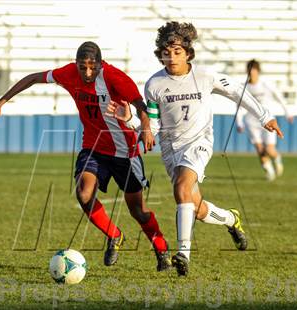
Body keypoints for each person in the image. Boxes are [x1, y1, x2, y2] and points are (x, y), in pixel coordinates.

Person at [106, 22, 284, 276]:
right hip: (170, 149)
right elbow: (153, 127)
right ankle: (231, 219)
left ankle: (183, 254)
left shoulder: (205, 76)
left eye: (177, 51)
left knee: (181, 189)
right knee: (195, 206)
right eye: (166, 51)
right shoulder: (154, 85)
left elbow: (237, 92)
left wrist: (264, 115)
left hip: (199, 142)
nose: (171, 56)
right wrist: (131, 121)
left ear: (188, 53)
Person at [0, 41, 171, 271]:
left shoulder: (115, 77)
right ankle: (115, 236)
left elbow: (140, 105)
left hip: (126, 153)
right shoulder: (68, 74)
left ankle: (162, 251)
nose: (87, 73)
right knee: (84, 194)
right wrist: (0, 102)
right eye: (82, 67)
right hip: (93, 147)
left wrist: (145, 127)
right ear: (76, 64)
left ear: (101, 64)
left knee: (138, 211)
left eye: (92, 67)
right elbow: (33, 78)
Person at [236, 59, 294, 181]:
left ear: (258, 71)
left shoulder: (266, 84)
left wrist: (288, 112)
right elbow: (240, 105)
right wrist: (239, 122)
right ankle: (269, 172)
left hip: (267, 120)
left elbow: (279, 98)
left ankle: (277, 158)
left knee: (269, 149)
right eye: (249, 70)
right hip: (251, 121)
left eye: (254, 70)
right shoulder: (244, 86)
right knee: (259, 149)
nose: (251, 72)